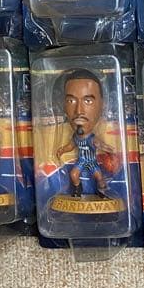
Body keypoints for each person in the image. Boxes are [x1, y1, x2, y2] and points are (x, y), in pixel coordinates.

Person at [55, 70, 113, 199]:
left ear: (102, 105)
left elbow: (100, 145)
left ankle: (102, 192)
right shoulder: (76, 137)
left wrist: (109, 151)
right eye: (71, 101)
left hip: (92, 162)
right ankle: (78, 189)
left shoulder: (92, 138)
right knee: (74, 175)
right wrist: (62, 150)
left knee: (99, 178)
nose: (79, 111)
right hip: (81, 161)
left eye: (88, 101)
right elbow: (70, 146)